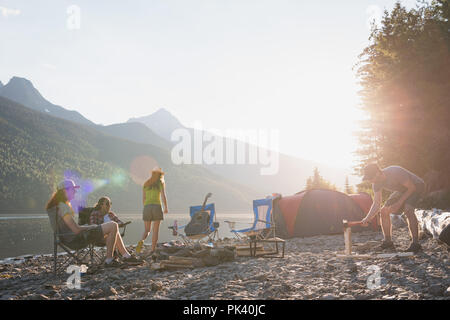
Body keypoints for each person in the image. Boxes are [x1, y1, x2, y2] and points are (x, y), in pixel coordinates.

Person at [46, 179, 140, 267]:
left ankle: (126, 256)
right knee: (113, 225)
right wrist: (91, 226)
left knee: (112, 233)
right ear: (64, 191)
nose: (75, 192)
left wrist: (87, 226)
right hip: (76, 239)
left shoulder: (56, 206)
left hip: (69, 238)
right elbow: (76, 230)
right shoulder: (63, 207)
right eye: (73, 190)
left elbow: (73, 228)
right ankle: (110, 260)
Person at [360, 164, 426, 252]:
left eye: (371, 178)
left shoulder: (395, 172)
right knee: (383, 211)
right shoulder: (376, 183)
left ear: (377, 173)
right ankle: (388, 242)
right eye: (368, 178)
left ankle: (415, 244)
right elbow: (376, 203)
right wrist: (367, 218)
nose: (370, 181)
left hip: (417, 186)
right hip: (401, 191)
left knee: (408, 210)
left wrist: (399, 203)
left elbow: (411, 188)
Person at [136, 166, 169, 254]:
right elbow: (163, 196)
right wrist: (166, 207)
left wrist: (146, 207)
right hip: (157, 207)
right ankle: (153, 250)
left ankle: (141, 242)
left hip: (147, 207)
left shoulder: (146, 183)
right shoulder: (160, 183)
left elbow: (143, 198)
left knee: (147, 230)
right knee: (155, 230)